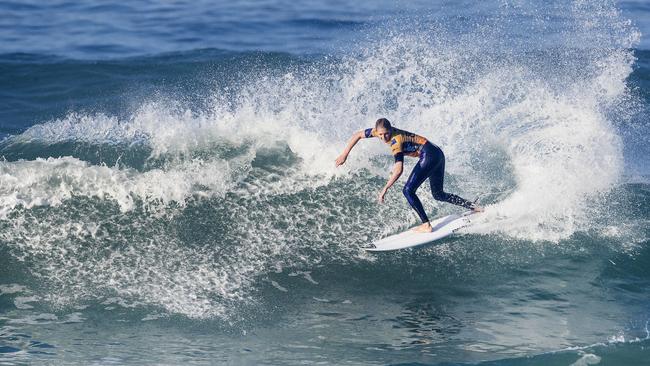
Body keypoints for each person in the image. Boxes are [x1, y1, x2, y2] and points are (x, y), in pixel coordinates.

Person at [335, 118, 483, 233]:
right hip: (437, 153)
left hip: (430, 155)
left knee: (407, 190)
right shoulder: (376, 132)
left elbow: (399, 169)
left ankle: (426, 225)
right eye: (380, 134)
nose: (384, 137)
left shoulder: (395, 141)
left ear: (391, 129)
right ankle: (473, 206)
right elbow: (358, 135)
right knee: (438, 194)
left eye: (386, 133)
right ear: (376, 131)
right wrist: (344, 154)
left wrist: (385, 188)